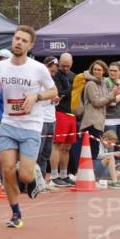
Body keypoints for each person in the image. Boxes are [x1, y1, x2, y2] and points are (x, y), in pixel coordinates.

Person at [0, 26, 57, 229]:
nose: (19, 42)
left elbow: (53, 90)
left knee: (24, 176)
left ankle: (33, 175)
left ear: (30, 45)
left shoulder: (38, 68)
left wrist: (37, 96)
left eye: (24, 40)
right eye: (17, 39)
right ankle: (16, 213)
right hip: (8, 124)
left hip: (31, 126)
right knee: (7, 170)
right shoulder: (1, 67)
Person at [81, 60, 120, 157]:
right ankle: (90, 172)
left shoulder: (103, 83)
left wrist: (113, 94)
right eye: (95, 69)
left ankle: (93, 171)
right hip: (91, 122)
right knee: (92, 151)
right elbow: (96, 102)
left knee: (94, 150)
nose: (97, 72)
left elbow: (104, 103)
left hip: (99, 122)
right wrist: (112, 94)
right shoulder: (91, 84)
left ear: (104, 71)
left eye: (99, 70)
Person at [49, 52, 76, 187]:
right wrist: (73, 87)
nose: (65, 68)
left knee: (67, 147)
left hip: (72, 114)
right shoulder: (55, 75)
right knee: (57, 145)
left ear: (71, 64)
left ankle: (64, 175)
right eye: (63, 66)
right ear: (59, 63)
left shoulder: (73, 76)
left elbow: (74, 94)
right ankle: (54, 176)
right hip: (59, 112)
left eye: (68, 66)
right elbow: (60, 92)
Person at [38, 57, 58, 180]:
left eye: (54, 71)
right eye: (51, 70)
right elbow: (37, 99)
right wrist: (50, 99)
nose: (52, 73)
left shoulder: (51, 83)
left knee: (46, 153)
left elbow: (53, 101)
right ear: (46, 67)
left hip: (52, 120)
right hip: (42, 120)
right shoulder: (39, 81)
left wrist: (55, 101)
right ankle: (34, 180)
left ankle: (42, 179)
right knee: (38, 152)